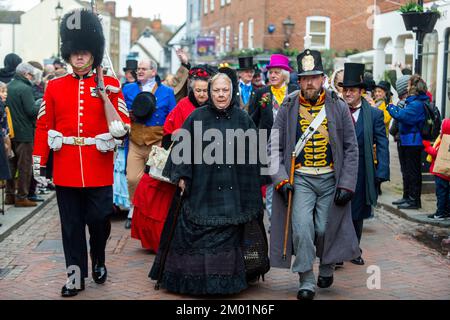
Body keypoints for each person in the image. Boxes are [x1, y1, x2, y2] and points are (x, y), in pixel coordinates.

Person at [32, 9, 130, 297]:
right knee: (71, 227)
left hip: (98, 166)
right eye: (74, 53)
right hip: (66, 167)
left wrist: (104, 95)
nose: (79, 57)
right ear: (68, 54)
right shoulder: (54, 86)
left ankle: (98, 256)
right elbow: (43, 125)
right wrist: (40, 162)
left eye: (84, 52)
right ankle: (75, 276)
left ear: (93, 54)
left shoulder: (110, 86)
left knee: (99, 221)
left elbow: (123, 126)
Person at [149, 69, 266, 295]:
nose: (221, 95)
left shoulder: (244, 119)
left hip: (234, 195)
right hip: (202, 189)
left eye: (225, 90)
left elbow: (256, 156)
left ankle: (228, 280)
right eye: (216, 90)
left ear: (232, 92)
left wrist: (253, 186)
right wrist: (182, 175)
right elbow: (181, 150)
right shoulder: (196, 117)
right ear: (209, 93)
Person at [268, 49, 360, 300]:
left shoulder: (338, 106)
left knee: (323, 227)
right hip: (301, 180)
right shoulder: (288, 106)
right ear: (299, 80)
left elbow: (352, 148)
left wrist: (347, 183)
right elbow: (273, 146)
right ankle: (306, 278)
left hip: (331, 178)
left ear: (322, 78)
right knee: (302, 229)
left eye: (314, 77)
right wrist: (281, 178)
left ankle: (328, 264)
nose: (309, 83)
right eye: (305, 78)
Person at [131, 65, 214, 251]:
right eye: (198, 90)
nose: (201, 94)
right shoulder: (183, 105)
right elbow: (168, 133)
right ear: (192, 89)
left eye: (204, 91)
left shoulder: (213, 107)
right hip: (180, 159)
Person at [339, 63, 390, 266]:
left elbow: (383, 144)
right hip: (338, 168)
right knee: (338, 211)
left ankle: (354, 249)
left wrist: (382, 171)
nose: (348, 93)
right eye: (345, 90)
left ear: (361, 91)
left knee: (356, 212)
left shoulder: (375, 115)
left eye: (352, 90)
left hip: (362, 169)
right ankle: (337, 253)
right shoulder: (336, 110)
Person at [122, 58, 176, 229]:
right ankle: (133, 207)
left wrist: (167, 142)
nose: (139, 71)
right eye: (138, 68)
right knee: (132, 178)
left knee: (155, 181)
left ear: (153, 71)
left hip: (157, 142)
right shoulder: (128, 89)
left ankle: (150, 214)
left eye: (144, 68)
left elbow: (172, 116)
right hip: (135, 140)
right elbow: (120, 110)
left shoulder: (166, 92)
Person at [250, 54, 298, 223]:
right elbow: (252, 120)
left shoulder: (295, 91)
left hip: (293, 146)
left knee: (292, 183)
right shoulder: (261, 93)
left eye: (277, 72)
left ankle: (290, 220)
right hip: (268, 147)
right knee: (271, 186)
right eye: (270, 72)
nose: (273, 75)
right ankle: (274, 222)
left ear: (284, 73)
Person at [387, 74, 427, 209]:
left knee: (413, 172)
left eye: (409, 85)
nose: (407, 88)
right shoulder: (414, 102)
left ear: (413, 88)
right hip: (408, 141)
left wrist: (390, 106)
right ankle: (407, 197)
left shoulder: (416, 104)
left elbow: (401, 116)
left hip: (413, 142)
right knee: (408, 171)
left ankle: (414, 200)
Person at [5, 62, 38, 207]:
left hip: (10, 133)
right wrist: (40, 105)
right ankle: (22, 196)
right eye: (31, 75)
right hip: (24, 133)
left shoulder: (9, 86)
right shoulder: (25, 88)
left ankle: (9, 195)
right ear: (26, 74)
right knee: (24, 166)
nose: (32, 78)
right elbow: (31, 110)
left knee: (11, 165)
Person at [389, 75, 411, 206]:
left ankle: (407, 196)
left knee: (406, 170)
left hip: (403, 140)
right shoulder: (407, 102)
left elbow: (393, 128)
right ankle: (406, 196)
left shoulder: (402, 104)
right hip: (405, 139)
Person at [423, 118, 450, 220]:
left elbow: (436, 153)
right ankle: (447, 211)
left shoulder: (444, 142)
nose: (439, 131)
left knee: (441, 193)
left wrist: (427, 147)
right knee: (447, 193)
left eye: (441, 129)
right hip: (447, 172)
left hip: (441, 172)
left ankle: (440, 213)